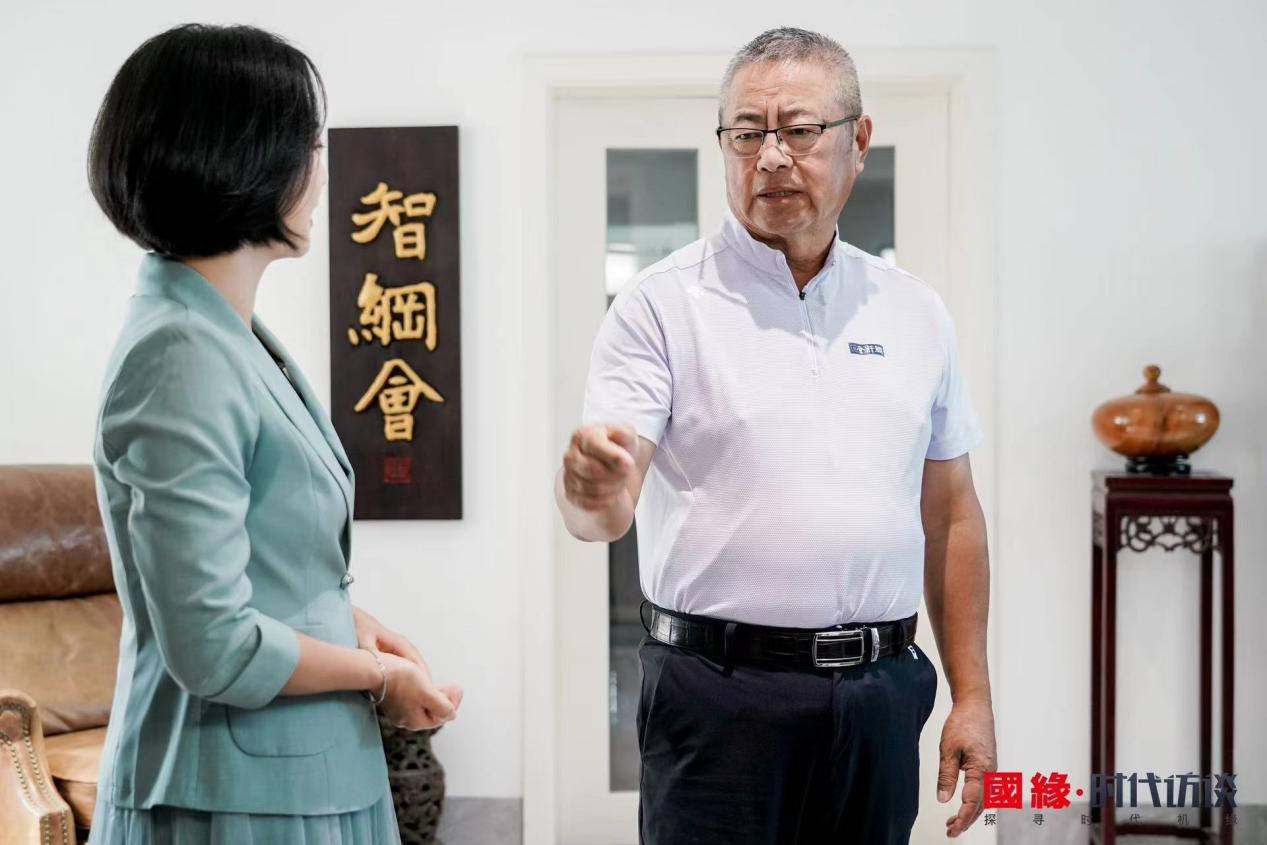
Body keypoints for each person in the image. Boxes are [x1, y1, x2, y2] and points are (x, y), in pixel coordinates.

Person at [557, 26, 996, 845]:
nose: (768, 157)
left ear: (857, 141)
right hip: (715, 697)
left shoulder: (913, 310)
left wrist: (971, 696)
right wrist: (589, 488)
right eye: (745, 133)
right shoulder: (661, 305)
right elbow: (603, 508)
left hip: (877, 695)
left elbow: (952, 514)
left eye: (797, 130)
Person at [87, 24, 461, 844]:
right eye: (312, 144)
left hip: (293, 778)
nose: (322, 169)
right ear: (245, 158)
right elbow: (211, 641)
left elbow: (264, 565)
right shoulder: (180, 353)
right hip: (233, 797)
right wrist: (377, 675)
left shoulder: (217, 332)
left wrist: (349, 622)